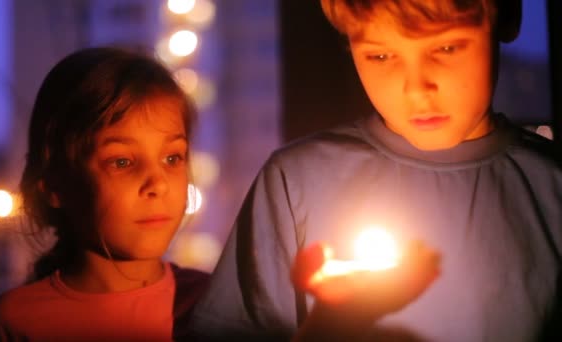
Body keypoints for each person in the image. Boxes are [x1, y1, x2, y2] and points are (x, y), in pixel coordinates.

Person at [190, 0, 562, 340]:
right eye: (381, 56)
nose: (416, 90)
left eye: (447, 48)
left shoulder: (551, 184)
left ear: (507, 17)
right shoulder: (297, 182)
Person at [0, 47, 209, 341]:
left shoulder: (212, 305)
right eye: (122, 162)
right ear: (54, 186)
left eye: (172, 158)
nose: (158, 184)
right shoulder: (17, 322)